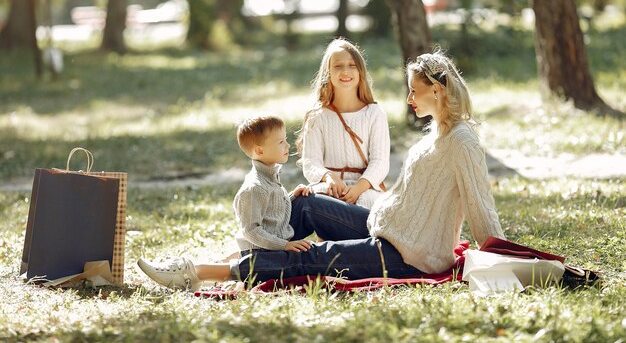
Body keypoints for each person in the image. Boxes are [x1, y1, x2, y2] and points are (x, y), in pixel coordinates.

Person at [137, 50, 505, 291]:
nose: (409, 99)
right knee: (307, 203)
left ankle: (196, 273)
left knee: (314, 256)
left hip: (411, 255)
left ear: (437, 91)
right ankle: (249, 252)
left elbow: (481, 206)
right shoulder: (434, 134)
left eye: (414, 91)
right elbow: (406, 195)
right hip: (387, 225)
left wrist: (506, 262)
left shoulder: (462, 141)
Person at [137, 115, 313, 291]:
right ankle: (186, 272)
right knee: (269, 267)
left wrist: (291, 198)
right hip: (259, 254)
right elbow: (251, 231)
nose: (288, 145)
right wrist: (284, 245)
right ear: (259, 151)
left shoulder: (270, 178)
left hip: (269, 250)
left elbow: (271, 213)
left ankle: (208, 270)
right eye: (281, 142)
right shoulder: (254, 188)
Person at [296, 38, 390, 209]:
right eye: (338, 66)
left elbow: (380, 162)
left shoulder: (375, 114)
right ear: (328, 72)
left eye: (352, 65)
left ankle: (341, 233)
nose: (345, 71)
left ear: (361, 71)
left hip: (366, 188)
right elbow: (311, 161)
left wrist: (358, 188)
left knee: (367, 202)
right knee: (305, 199)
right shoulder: (317, 116)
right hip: (330, 186)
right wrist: (329, 177)